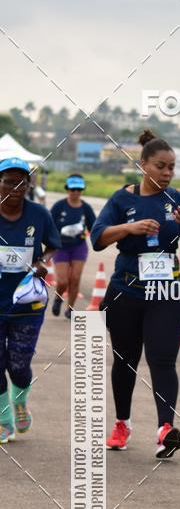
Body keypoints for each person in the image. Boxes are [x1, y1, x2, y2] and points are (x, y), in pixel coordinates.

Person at [90, 129, 180, 459]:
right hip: (126, 291)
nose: (167, 173)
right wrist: (130, 228)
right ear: (142, 165)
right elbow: (97, 238)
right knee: (125, 361)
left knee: (163, 360)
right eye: (160, 166)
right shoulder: (122, 199)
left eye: (172, 167)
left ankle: (165, 429)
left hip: (166, 293)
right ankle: (122, 424)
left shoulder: (177, 200)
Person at [0, 157, 60, 443]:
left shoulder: (39, 214)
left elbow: (53, 246)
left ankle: (20, 401)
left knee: (18, 365)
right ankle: (4, 421)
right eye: (8, 181)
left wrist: (42, 262)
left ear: (28, 185)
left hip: (27, 304)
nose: (15, 187)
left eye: (21, 182)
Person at [50, 174, 96, 319]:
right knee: (63, 281)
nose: (75, 192)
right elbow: (48, 225)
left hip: (79, 247)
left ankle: (70, 309)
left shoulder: (86, 208)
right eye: (72, 189)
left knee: (75, 279)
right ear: (67, 189)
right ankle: (58, 298)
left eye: (79, 189)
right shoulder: (59, 206)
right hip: (61, 247)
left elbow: (95, 228)